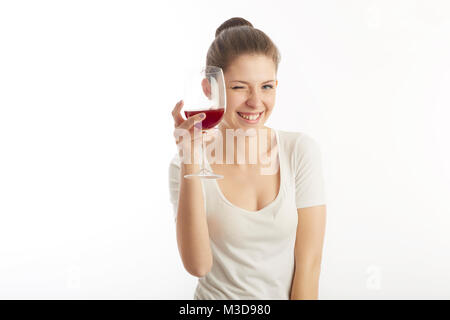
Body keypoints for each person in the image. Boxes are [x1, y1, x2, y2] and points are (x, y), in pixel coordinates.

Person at [168, 17, 327, 300]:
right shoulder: (184, 165)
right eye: (240, 87)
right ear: (209, 89)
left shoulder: (299, 151)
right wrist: (191, 160)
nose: (256, 102)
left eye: (266, 86)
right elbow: (198, 265)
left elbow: (309, 266)